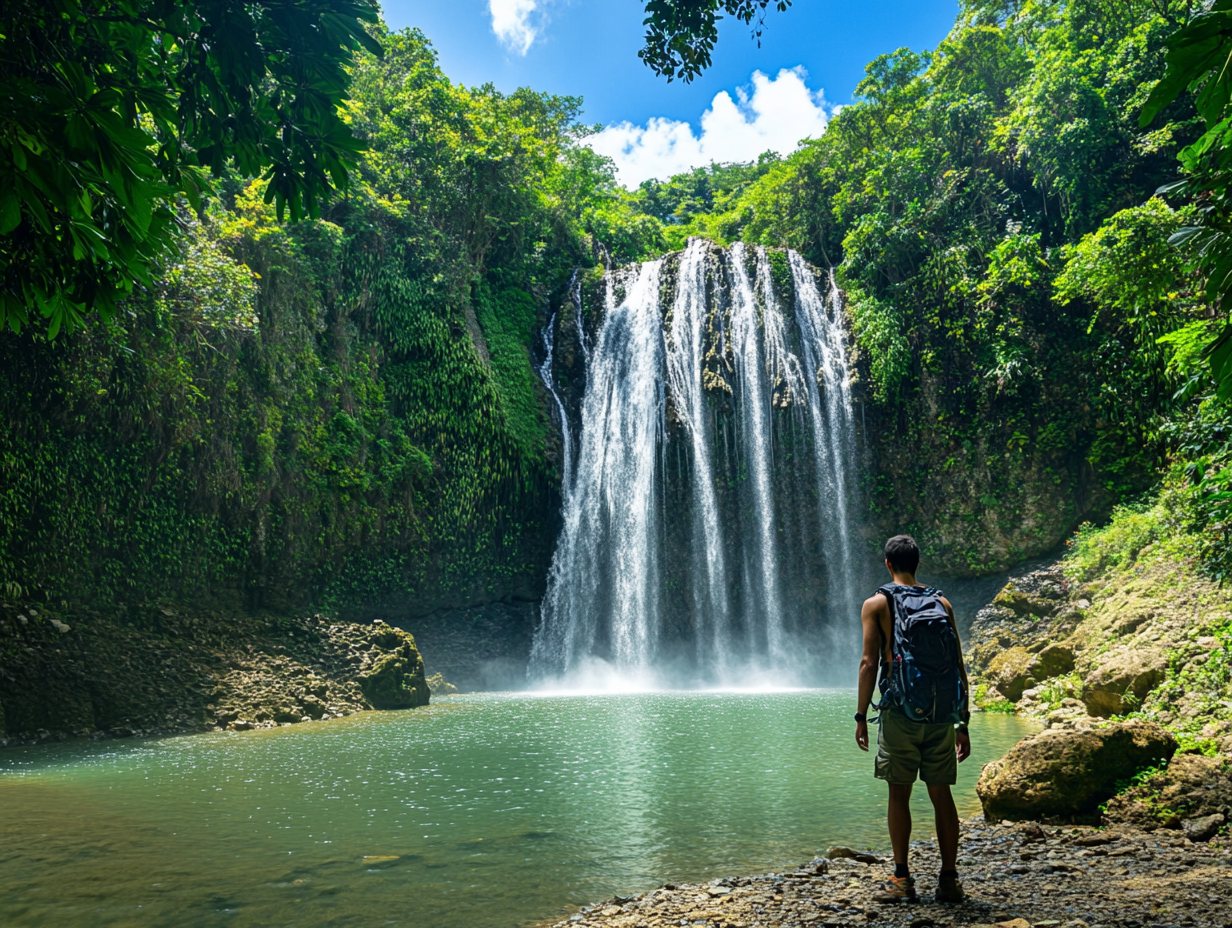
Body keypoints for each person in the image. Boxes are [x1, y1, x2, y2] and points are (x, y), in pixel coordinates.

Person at [854, 534, 971, 904]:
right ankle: (949, 880)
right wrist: (962, 721)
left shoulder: (877, 603)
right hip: (940, 713)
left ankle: (902, 878)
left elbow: (869, 663)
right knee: (941, 794)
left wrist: (860, 715)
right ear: (917, 563)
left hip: (900, 711)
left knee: (898, 793)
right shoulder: (942, 601)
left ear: (888, 564)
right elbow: (958, 665)